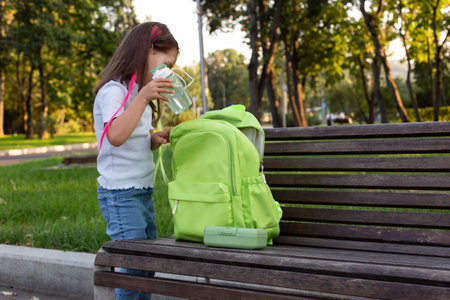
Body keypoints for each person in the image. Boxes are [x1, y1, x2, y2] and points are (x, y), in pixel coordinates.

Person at [93, 21, 179, 300]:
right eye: (164, 64)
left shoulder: (134, 94)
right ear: (147, 50)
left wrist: (152, 139)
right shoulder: (114, 92)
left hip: (141, 192)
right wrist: (142, 98)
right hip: (121, 195)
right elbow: (116, 136)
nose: (166, 73)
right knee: (132, 272)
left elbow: (131, 137)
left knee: (145, 269)